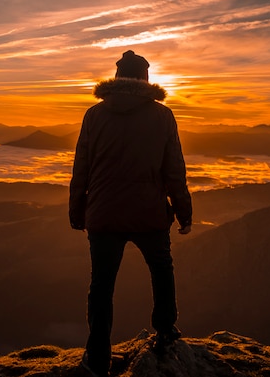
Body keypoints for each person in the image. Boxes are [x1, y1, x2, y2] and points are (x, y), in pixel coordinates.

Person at [69, 50, 192, 377]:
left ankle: (97, 358)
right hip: (148, 212)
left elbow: (81, 169)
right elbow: (174, 171)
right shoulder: (162, 116)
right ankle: (166, 331)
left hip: (103, 214)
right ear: (145, 79)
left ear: (118, 77)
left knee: (101, 285)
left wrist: (77, 212)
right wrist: (184, 213)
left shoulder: (94, 115)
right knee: (161, 268)